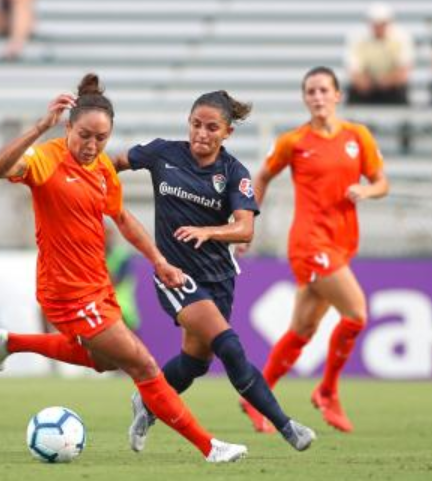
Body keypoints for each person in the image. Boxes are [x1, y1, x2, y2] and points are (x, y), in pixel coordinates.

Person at [0, 73, 248, 463]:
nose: (91, 146)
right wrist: (40, 127)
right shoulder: (46, 160)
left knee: (104, 361)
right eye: (84, 136)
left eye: (101, 138)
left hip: (96, 284)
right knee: (143, 363)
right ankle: (209, 447)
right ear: (68, 127)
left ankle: (10, 343)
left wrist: (159, 261)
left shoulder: (103, 168)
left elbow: (122, 218)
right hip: (66, 289)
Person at [110, 92, 316, 453]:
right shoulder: (162, 153)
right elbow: (114, 162)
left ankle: (146, 402)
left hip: (218, 279)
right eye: (196, 125)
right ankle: (287, 426)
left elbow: (245, 229)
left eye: (211, 127)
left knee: (194, 364)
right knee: (230, 347)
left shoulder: (234, 173)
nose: (201, 134)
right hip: (174, 275)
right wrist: (81, 181)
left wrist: (209, 232)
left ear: (227, 132)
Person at [241, 67, 389, 433]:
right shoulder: (294, 141)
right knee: (356, 313)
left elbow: (381, 182)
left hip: (341, 243)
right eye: (311, 91)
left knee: (303, 328)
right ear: (305, 99)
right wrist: (247, 224)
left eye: (324, 90)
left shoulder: (358, 136)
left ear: (337, 95)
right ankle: (327, 391)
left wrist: (366, 190)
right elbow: (262, 176)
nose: (318, 97)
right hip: (310, 244)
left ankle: (255, 397)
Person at [345, 2, 414, 106]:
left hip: (392, 88)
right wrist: (364, 81)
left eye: (382, 24)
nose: (379, 28)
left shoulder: (401, 38)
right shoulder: (357, 38)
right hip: (365, 87)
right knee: (353, 91)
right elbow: (353, 71)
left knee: (402, 90)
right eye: (375, 24)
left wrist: (387, 81)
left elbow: (404, 71)